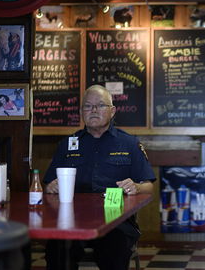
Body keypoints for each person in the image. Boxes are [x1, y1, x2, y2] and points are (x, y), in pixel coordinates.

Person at [43, 85, 155, 270]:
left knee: (115, 250)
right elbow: (47, 184)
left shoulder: (129, 143)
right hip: (72, 221)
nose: (93, 110)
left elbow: (148, 185)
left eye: (100, 105)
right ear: (81, 112)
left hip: (116, 222)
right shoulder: (67, 144)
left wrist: (137, 186)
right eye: (88, 106)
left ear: (112, 111)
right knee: (56, 250)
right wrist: (50, 187)